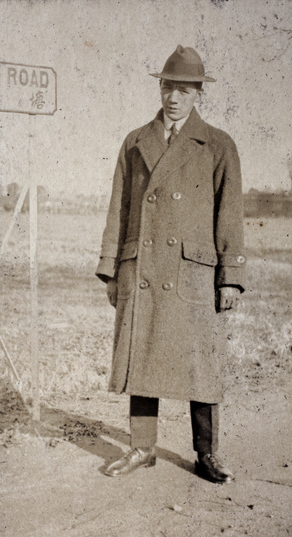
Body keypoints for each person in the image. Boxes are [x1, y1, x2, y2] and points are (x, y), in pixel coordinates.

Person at [96, 45, 246, 483]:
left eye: (183, 89)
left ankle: (207, 454)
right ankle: (142, 448)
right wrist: (111, 267)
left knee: (201, 366)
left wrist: (230, 278)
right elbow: (119, 208)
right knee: (140, 357)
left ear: (198, 92)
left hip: (192, 273)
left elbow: (229, 214)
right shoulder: (135, 141)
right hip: (141, 269)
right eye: (167, 87)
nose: (173, 98)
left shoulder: (218, 144)